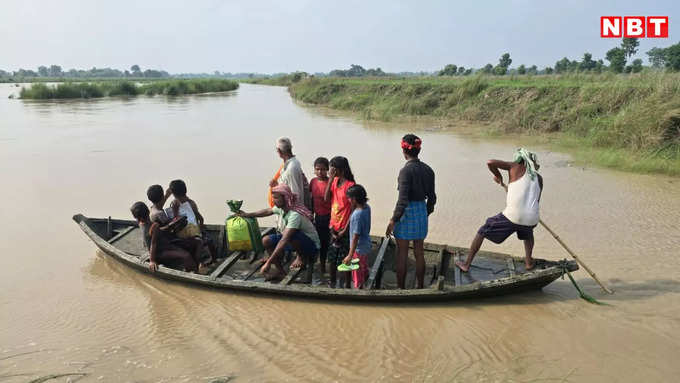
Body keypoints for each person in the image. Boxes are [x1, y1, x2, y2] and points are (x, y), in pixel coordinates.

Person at [456, 148, 543, 272]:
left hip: (514, 216)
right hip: (533, 218)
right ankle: (529, 262)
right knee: (528, 233)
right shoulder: (539, 178)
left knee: (483, 230)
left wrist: (498, 176)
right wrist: (503, 184)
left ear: (519, 160)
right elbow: (534, 200)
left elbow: (490, 162)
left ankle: (466, 265)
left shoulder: (515, 166)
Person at [238, 184, 320, 281]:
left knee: (291, 235)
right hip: (294, 241)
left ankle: (301, 257)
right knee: (266, 240)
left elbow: (284, 239)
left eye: (276, 198)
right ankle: (280, 271)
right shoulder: (282, 208)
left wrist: (268, 262)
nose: (273, 200)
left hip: (310, 245)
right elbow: (267, 211)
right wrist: (247, 214)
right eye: (273, 198)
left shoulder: (294, 214)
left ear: (285, 198)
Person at [386, 134, 436, 289]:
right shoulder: (428, 170)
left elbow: (402, 201)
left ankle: (401, 289)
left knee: (402, 253)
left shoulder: (405, 172)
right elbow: (432, 198)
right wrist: (425, 213)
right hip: (421, 210)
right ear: (419, 149)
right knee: (419, 252)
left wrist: (392, 221)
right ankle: (420, 286)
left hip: (406, 213)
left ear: (403, 150)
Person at [130, 201, 198, 273]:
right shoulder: (154, 226)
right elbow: (153, 244)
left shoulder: (140, 223)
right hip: (159, 252)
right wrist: (152, 261)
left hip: (163, 245)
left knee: (189, 245)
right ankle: (194, 272)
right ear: (148, 212)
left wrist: (169, 226)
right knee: (186, 255)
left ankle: (192, 267)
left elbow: (154, 233)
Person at [324, 156, 356, 288]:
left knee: (346, 259)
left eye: (333, 167)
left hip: (345, 227)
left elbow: (353, 211)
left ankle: (347, 285)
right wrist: (331, 179)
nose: (331, 170)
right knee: (331, 259)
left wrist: (345, 230)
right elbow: (326, 198)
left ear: (340, 169)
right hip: (333, 226)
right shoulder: (334, 181)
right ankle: (332, 283)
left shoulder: (350, 186)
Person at [168, 179, 215, 266]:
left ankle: (196, 264)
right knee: (202, 240)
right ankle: (203, 261)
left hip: (184, 235)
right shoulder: (192, 203)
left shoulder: (174, 204)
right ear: (185, 190)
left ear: (173, 193)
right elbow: (201, 219)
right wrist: (200, 229)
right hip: (195, 233)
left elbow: (175, 221)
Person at [343, 184, 371, 289]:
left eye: (349, 198)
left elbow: (355, 237)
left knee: (356, 272)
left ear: (354, 199)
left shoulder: (357, 215)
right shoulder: (367, 207)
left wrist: (350, 255)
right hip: (366, 244)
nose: (348, 200)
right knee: (363, 268)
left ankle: (358, 290)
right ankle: (364, 282)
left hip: (358, 249)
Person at [270, 137, 310, 207]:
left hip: (291, 211)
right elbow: (286, 187)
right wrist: (277, 186)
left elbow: (295, 194)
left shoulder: (292, 168)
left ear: (278, 151)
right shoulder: (288, 165)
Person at [309, 157, 331, 273]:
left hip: (329, 217)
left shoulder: (331, 182)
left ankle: (323, 264)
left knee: (325, 242)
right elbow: (311, 199)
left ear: (327, 170)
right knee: (317, 241)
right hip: (317, 217)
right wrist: (310, 214)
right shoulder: (313, 182)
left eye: (322, 169)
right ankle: (318, 263)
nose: (320, 172)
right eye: (317, 169)